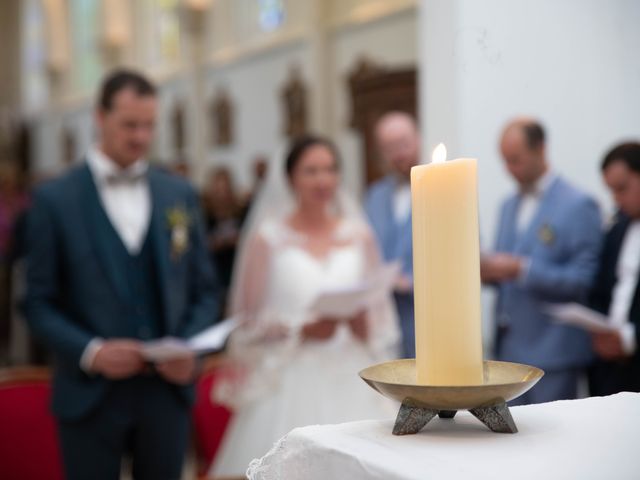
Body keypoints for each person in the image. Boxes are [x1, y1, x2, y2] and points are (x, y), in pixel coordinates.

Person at [25, 69, 219, 479]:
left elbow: (205, 288)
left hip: (166, 393)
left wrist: (190, 349)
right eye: (129, 124)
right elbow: (37, 302)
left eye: (149, 125)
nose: (141, 137)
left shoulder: (177, 193)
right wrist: (91, 351)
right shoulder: (53, 200)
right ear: (100, 117)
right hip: (89, 394)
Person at [209, 135, 399, 477]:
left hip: (352, 370)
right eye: (311, 171)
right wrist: (301, 329)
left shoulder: (359, 235)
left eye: (329, 169)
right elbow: (247, 324)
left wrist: (362, 325)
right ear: (290, 178)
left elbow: (381, 317)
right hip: (291, 375)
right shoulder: (268, 239)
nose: (322, 180)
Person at [481, 117, 602, 405]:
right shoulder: (507, 206)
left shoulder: (578, 204)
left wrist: (523, 269)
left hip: (553, 352)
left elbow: (583, 280)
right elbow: (503, 273)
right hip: (509, 353)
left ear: (541, 150)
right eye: (505, 161)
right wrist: (486, 271)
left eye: (516, 160)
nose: (509, 170)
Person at [365, 111, 419, 358]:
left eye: (404, 144)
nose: (398, 154)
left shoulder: (447, 188)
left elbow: (464, 256)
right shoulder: (374, 196)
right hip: (382, 319)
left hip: (427, 317)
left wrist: (412, 282)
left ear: (418, 139)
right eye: (389, 148)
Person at [588, 142, 640, 395]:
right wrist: (600, 331)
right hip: (610, 367)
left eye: (622, 188)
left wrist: (630, 338)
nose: (616, 198)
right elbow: (601, 287)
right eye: (611, 191)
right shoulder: (617, 228)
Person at [202, 166, 247, 316]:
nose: (221, 194)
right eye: (218, 189)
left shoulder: (241, 211)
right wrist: (216, 242)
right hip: (213, 269)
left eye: (224, 189)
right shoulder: (204, 213)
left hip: (234, 268)